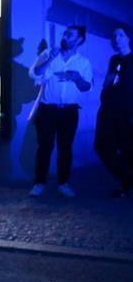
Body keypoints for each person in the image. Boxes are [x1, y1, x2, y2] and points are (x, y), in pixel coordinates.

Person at [29, 25, 93, 198]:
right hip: (47, 110)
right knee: (45, 147)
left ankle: (63, 183)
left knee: (65, 148)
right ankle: (39, 183)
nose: (65, 37)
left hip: (69, 112)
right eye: (65, 34)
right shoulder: (48, 53)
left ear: (79, 39)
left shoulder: (83, 62)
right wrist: (51, 59)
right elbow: (34, 74)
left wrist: (78, 78)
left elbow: (87, 87)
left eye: (70, 35)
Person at [96, 27, 133, 197]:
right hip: (109, 108)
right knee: (102, 146)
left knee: (127, 149)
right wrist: (104, 93)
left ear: (128, 38)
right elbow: (108, 82)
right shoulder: (114, 59)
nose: (116, 38)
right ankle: (128, 179)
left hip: (127, 110)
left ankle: (124, 187)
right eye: (114, 35)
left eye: (121, 35)